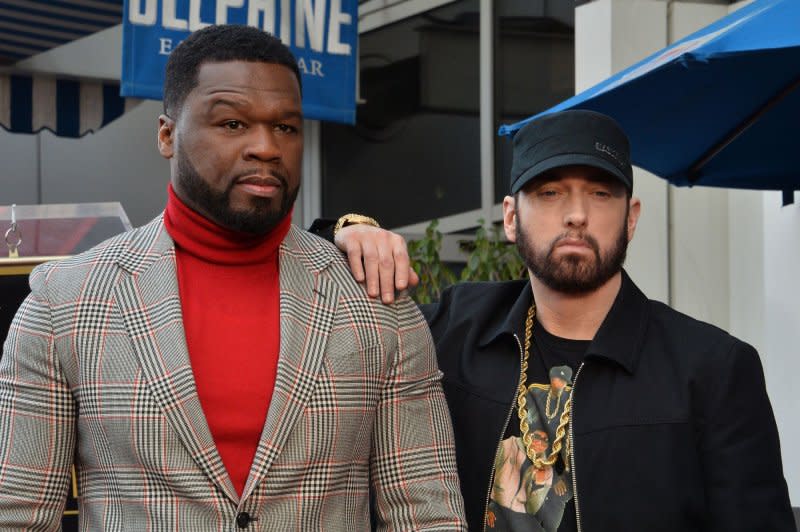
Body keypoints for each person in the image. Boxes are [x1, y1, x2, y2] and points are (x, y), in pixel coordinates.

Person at [0, 25, 466, 531]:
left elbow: (427, 513)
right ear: (166, 135)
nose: (266, 147)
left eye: (286, 128)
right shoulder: (63, 303)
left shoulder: (377, 303)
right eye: (232, 124)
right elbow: (20, 514)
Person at [330, 109, 795, 531]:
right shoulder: (453, 329)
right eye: (550, 192)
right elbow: (326, 321)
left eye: (599, 192)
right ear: (511, 218)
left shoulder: (712, 368)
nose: (576, 215)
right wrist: (347, 234)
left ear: (630, 218)